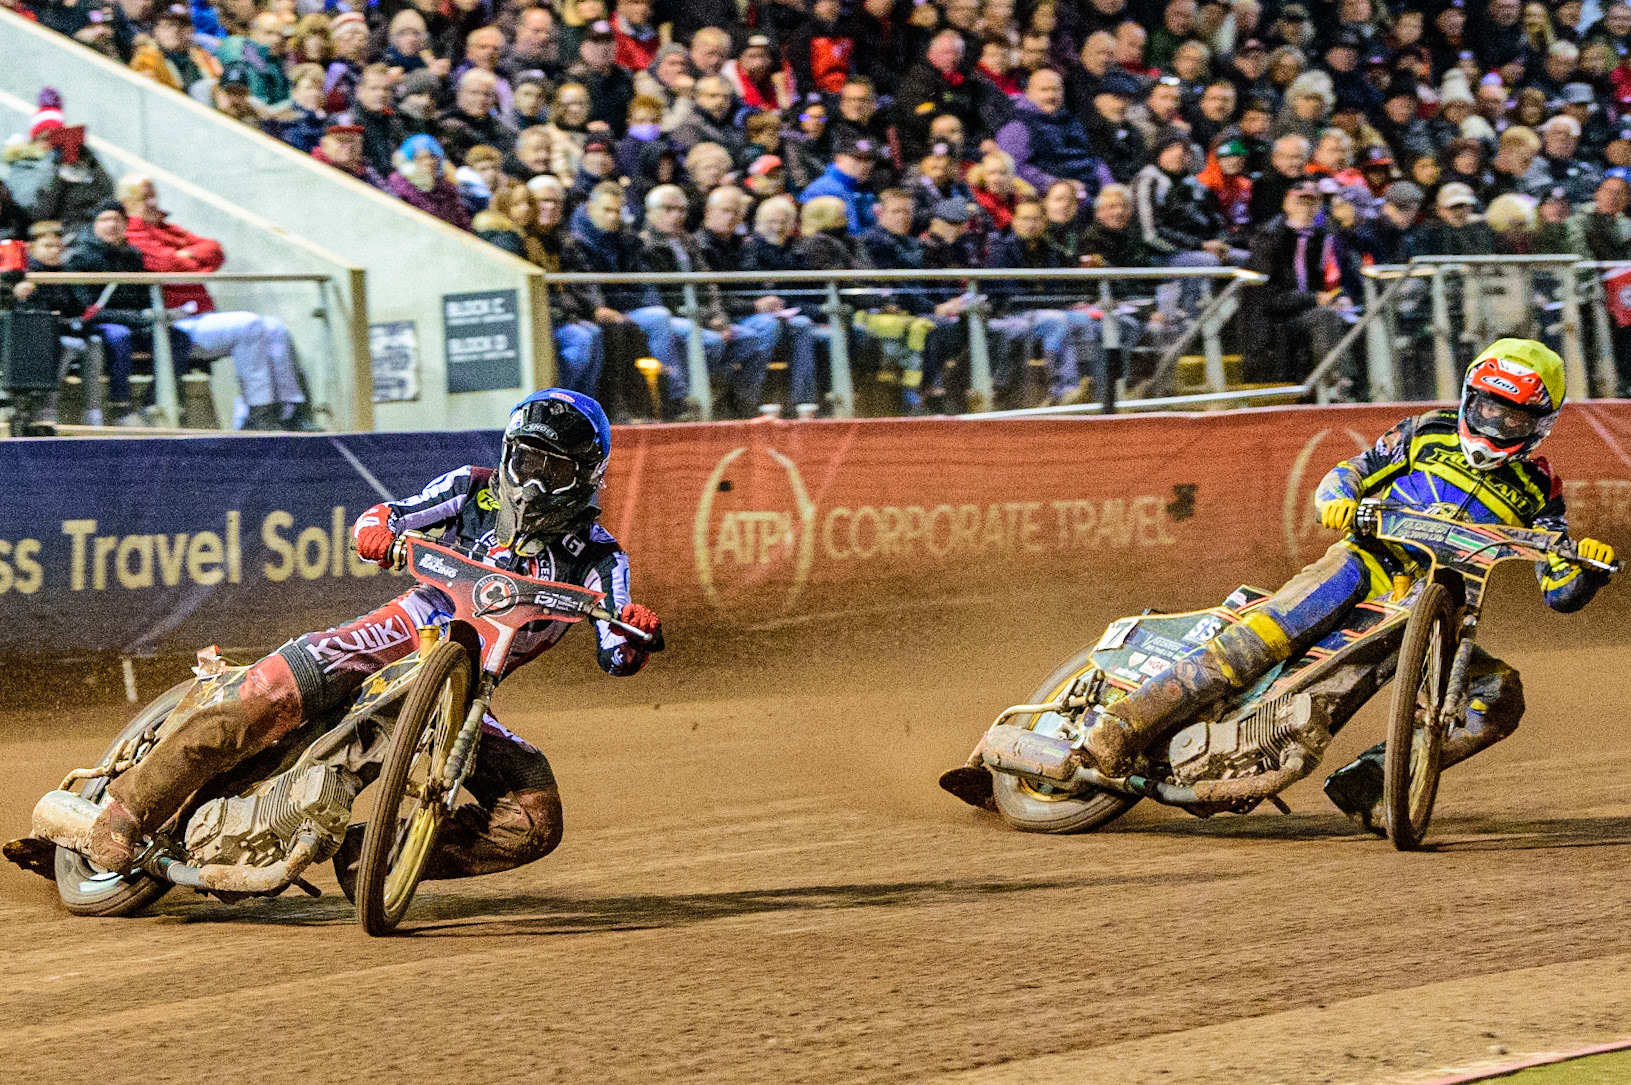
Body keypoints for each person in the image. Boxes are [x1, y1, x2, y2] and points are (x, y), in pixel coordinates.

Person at [84, 389, 665, 885]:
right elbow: (387, 515)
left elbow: (617, 650)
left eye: (554, 469)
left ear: (587, 476)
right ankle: (124, 813)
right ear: (509, 454)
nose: (534, 482)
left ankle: (373, 856)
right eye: (527, 460)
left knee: (536, 819)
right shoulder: (472, 488)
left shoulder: (600, 556)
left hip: (464, 693)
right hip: (402, 628)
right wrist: (379, 534)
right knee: (268, 692)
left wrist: (635, 634)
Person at [118, 175, 315, 430]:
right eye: (145, 197)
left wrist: (185, 257)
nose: (153, 202)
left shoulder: (168, 229)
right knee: (248, 325)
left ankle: (290, 409)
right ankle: (257, 413)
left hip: (202, 317)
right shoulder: (131, 233)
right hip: (172, 324)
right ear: (126, 203)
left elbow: (215, 250)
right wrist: (189, 260)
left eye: (154, 196)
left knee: (274, 327)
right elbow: (168, 265)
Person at [65, 201, 196, 425]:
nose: (111, 225)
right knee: (119, 336)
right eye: (105, 220)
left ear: (125, 224)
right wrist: (137, 318)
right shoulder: (80, 258)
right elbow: (87, 308)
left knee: (179, 338)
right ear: (94, 225)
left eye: (117, 219)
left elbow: (142, 296)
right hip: (100, 324)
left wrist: (157, 314)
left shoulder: (133, 256)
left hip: (136, 322)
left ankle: (152, 403)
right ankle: (120, 407)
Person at [1240, 180, 1362, 386]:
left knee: (1359, 318)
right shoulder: (1269, 238)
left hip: (1310, 309)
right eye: (1300, 202)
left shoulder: (1323, 238)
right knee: (1324, 316)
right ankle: (1338, 383)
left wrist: (1340, 296)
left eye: (1312, 203)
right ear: (1287, 204)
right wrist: (1313, 298)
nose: (1306, 209)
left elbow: (1333, 278)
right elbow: (1267, 298)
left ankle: (1362, 386)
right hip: (1276, 321)